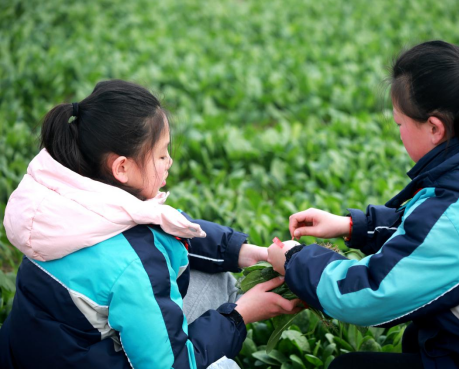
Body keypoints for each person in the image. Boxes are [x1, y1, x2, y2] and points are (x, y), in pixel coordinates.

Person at [268, 40, 459, 369]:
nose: (399, 134)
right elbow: (435, 233)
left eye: (400, 124)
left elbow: (370, 294)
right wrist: (354, 227)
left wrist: (293, 260)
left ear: (435, 127)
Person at [0, 80, 302, 369]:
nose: (169, 161)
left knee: (216, 277)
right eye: (161, 154)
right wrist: (241, 315)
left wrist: (248, 251)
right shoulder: (135, 261)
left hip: (23, 355)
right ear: (121, 168)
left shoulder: (60, 201)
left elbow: (170, 226)